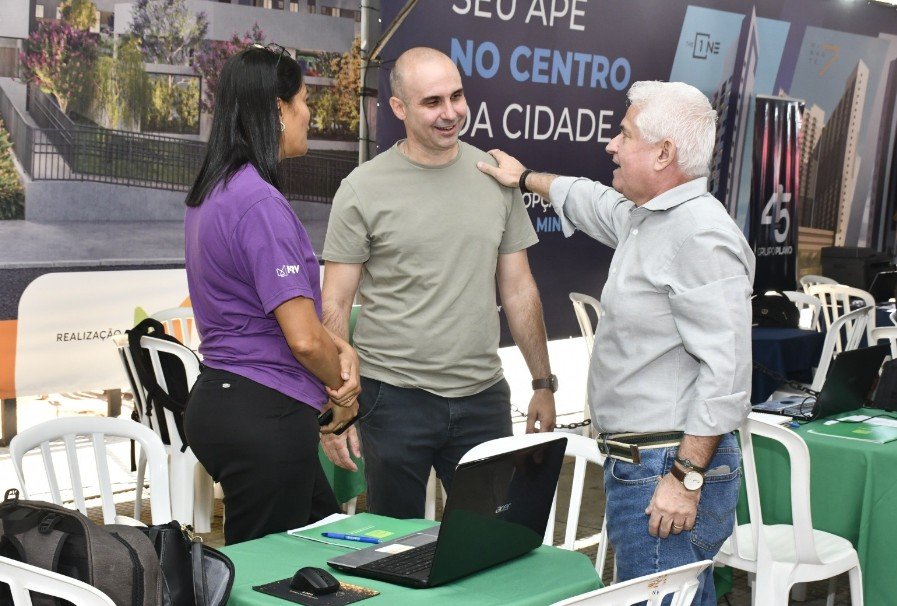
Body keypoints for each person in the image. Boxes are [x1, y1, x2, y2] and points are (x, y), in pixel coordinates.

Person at [477, 81, 754, 604]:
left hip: (664, 471)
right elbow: (589, 199)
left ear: (664, 153)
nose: (611, 144)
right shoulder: (647, 218)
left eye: (624, 134)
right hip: (646, 465)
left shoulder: (699, 236)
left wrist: (687, 479)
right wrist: (526, 178)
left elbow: (729, 372)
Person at [320, 47, 556, 519]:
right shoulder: (362, 188)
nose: (451, 113)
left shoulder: (495, 176)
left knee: (492, 541)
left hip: (483, 396)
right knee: (393, 548)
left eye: (457, 96)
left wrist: (543, 382)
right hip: (393, 399)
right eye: (432, 102)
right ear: (399, 109)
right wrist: (339, 406)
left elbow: (519, 289)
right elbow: (336, 304)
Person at [182, 43, 360, 545]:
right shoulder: (259, 201)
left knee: (322, 543)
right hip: (262, 412)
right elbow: (302, 338)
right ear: (278, 110)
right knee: (263, 582)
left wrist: (339, 350)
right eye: (304, 101)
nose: (309, 115)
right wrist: (344, 391)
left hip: (226, 400)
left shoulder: (214, 190)